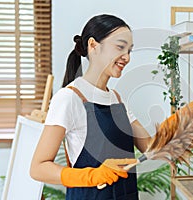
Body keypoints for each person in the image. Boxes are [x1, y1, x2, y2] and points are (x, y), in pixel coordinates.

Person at [30, 14, 152, 200]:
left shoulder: (118, 99)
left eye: (129, 51)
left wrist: (187, 122)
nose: (126, 57)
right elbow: (38, 168)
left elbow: (150, 147)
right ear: (93, 45)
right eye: (120, 47)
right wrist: (92, 176)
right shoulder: (69, 98)